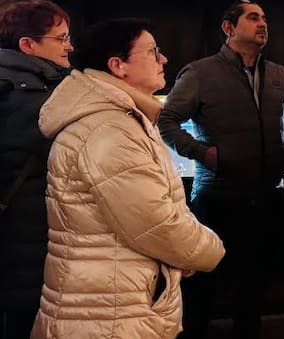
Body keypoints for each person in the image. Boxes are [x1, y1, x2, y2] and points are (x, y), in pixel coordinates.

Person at [33, 18, 225, 338]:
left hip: (114, 302)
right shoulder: (109, 130)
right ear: (118, 66)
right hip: (107, 315)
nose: (163, 59)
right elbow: (157, 224)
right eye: (152, 51)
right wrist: (209, 249)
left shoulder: (121, 119)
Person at [158, 0, 284, 339]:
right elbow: (168, 121)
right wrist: (206, 155)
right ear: (229, 28)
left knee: (254, 290)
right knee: (203, 289)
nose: (262, 23)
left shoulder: (278, 73)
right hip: (218, 198)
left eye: (264, 17)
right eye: (252, 17)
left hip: (267, 198)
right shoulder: (201, 72)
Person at [0, 0, 73, 339]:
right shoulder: (42, 94)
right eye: (60, 39)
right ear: (27, 44)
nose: (69, 46)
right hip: (27, 235)